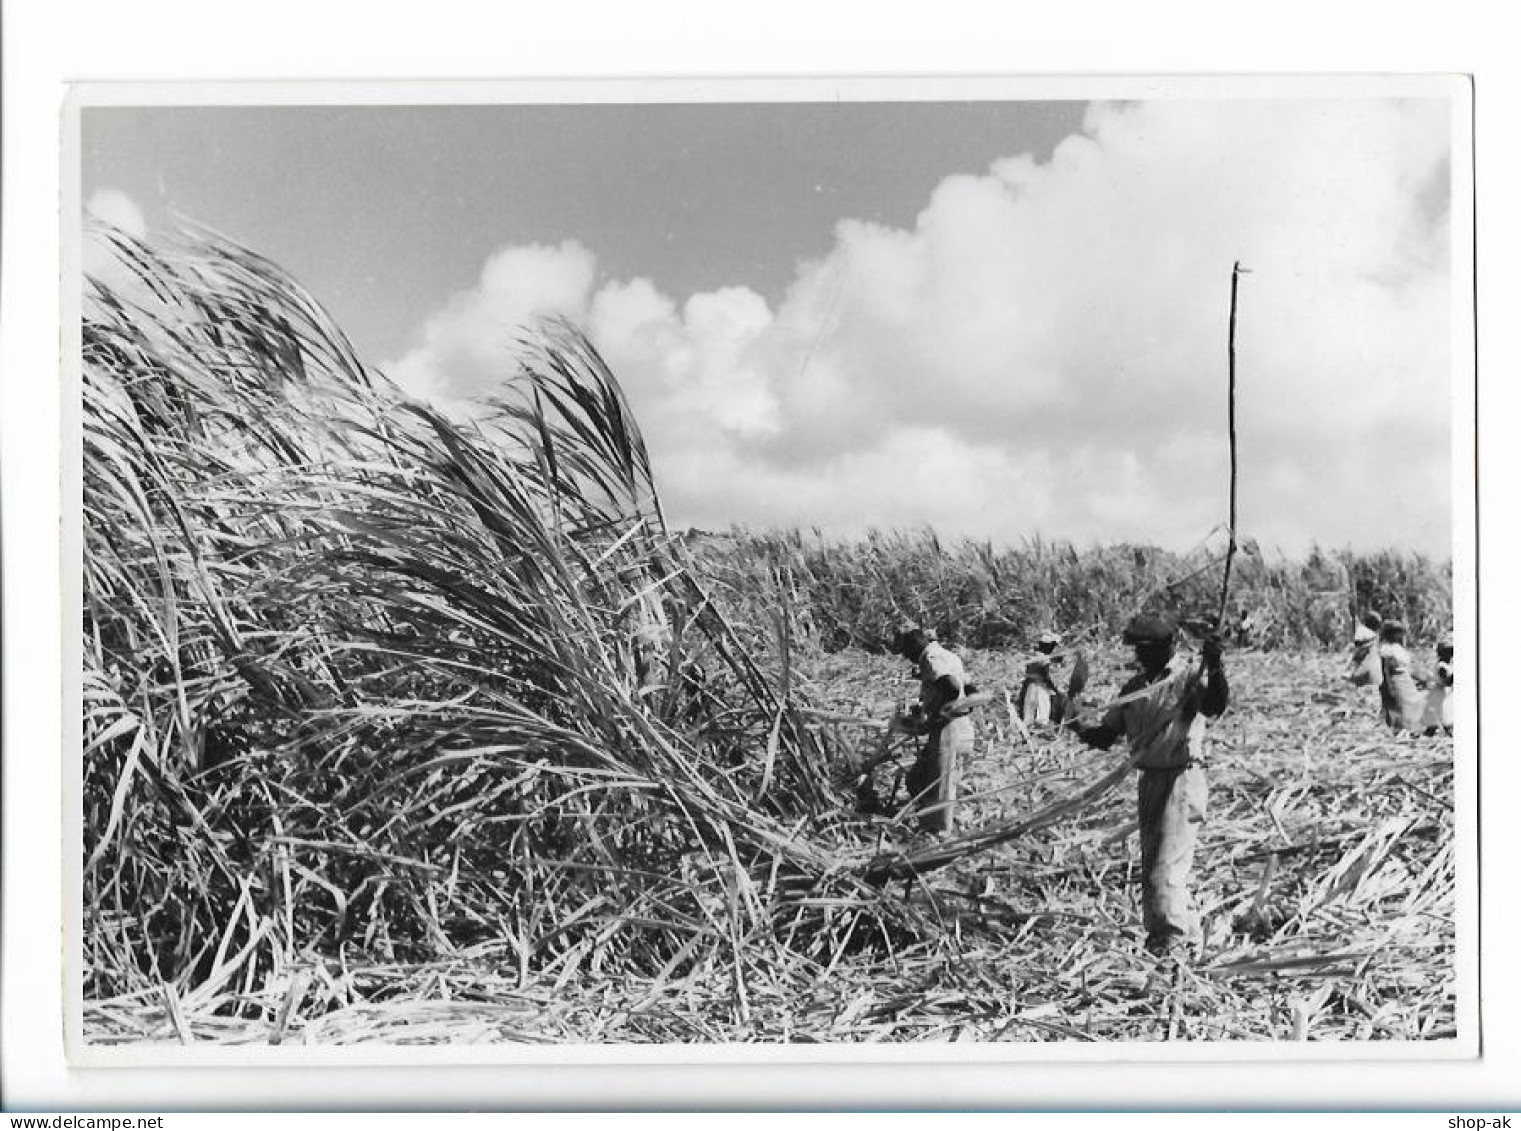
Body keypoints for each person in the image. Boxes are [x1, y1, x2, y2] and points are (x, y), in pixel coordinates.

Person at [1067, 613, 1228, 956]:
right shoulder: (1135, 687)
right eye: (1137, 650)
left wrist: (1215, 665)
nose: (1139, 656)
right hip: (1151, 780)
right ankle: (1189, 938)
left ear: (1166, 646)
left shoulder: (1187, 677)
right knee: (1157, 864)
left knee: (1166, 868)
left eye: (1145, 650)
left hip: (1182, 777)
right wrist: (1075, 722)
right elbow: (1106, 735)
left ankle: (1169, 946)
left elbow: (1214, 706)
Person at [889, 626, 973, 835]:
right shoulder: (949, 656)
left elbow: (951, 687)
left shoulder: (930, 658)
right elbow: (969, 687)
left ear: (915, 643)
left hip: (947, 728)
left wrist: (935, 714)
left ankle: (937, 833)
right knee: (919, 780)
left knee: (939, 784)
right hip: (958, 725)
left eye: (907, 652)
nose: (908, 658)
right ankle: (932, 823)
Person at [1377, 620, 1425, 731]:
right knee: (1399, 705)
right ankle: (1399, 729)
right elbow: (1385, 670)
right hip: (1395, 680)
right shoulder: (1386, 649)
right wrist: (1388, 687)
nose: (1400, 635)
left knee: (1411, 704)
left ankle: (1411, 729)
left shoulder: (1396, 647)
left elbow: (1408, 666)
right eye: (1397, 632)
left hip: (1405, 679)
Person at [1017, 631, 1064, 727]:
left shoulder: (1034, 655)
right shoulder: (1043, 659)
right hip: (1040, 686)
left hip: (1029, 685)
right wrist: (1053, 688)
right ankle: (1040, 730)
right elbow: (1046, 675)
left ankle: (1028, 729)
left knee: (1028, 711)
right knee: (1042, 711)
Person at [1421, 638, 1454, 736]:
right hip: (1440, 692)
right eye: (1448, 652)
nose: (1450, 655)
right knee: (1442, 714)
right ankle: (1437, 731)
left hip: (1445, 693)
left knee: (1440, 714)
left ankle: (1433, 731)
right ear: (1441, 653)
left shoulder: (1447, 664)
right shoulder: (1442, 666)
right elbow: (1447, 681)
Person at [1346, 617, 1383, 691]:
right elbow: (1358, 645)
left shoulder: (1369, 633)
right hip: (1364, 660)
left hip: (1369, 664)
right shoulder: (1363, 630)